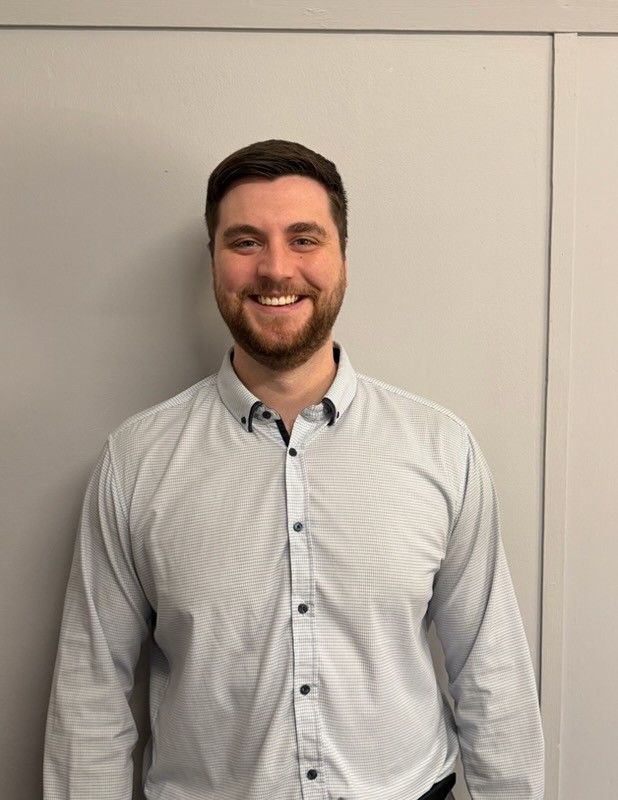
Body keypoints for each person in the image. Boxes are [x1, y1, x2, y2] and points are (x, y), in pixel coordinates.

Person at [44, 140, 544, 800]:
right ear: (214, 261)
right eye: (245, 241)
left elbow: (494, 678)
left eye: (304, 239)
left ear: (341, 256)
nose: (276, 269)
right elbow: (90, 698)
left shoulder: (441, 450)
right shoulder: (135, 462)